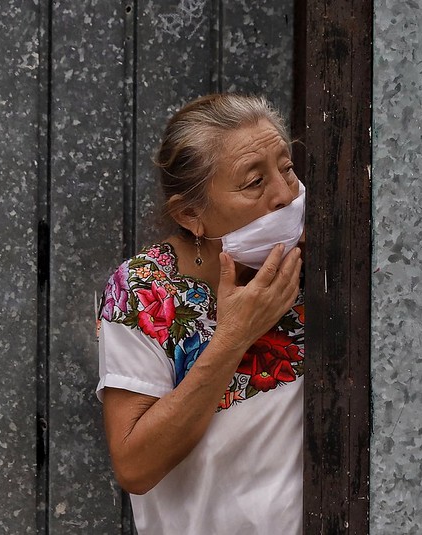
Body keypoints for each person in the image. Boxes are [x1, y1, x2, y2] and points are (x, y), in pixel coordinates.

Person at [96, 93, 305, 534]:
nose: (285, 195)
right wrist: (233, 336)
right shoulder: (145, 288)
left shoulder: (321, 267)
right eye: (255, 182)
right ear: (192, 215)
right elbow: (135, 467)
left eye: (286, 168)